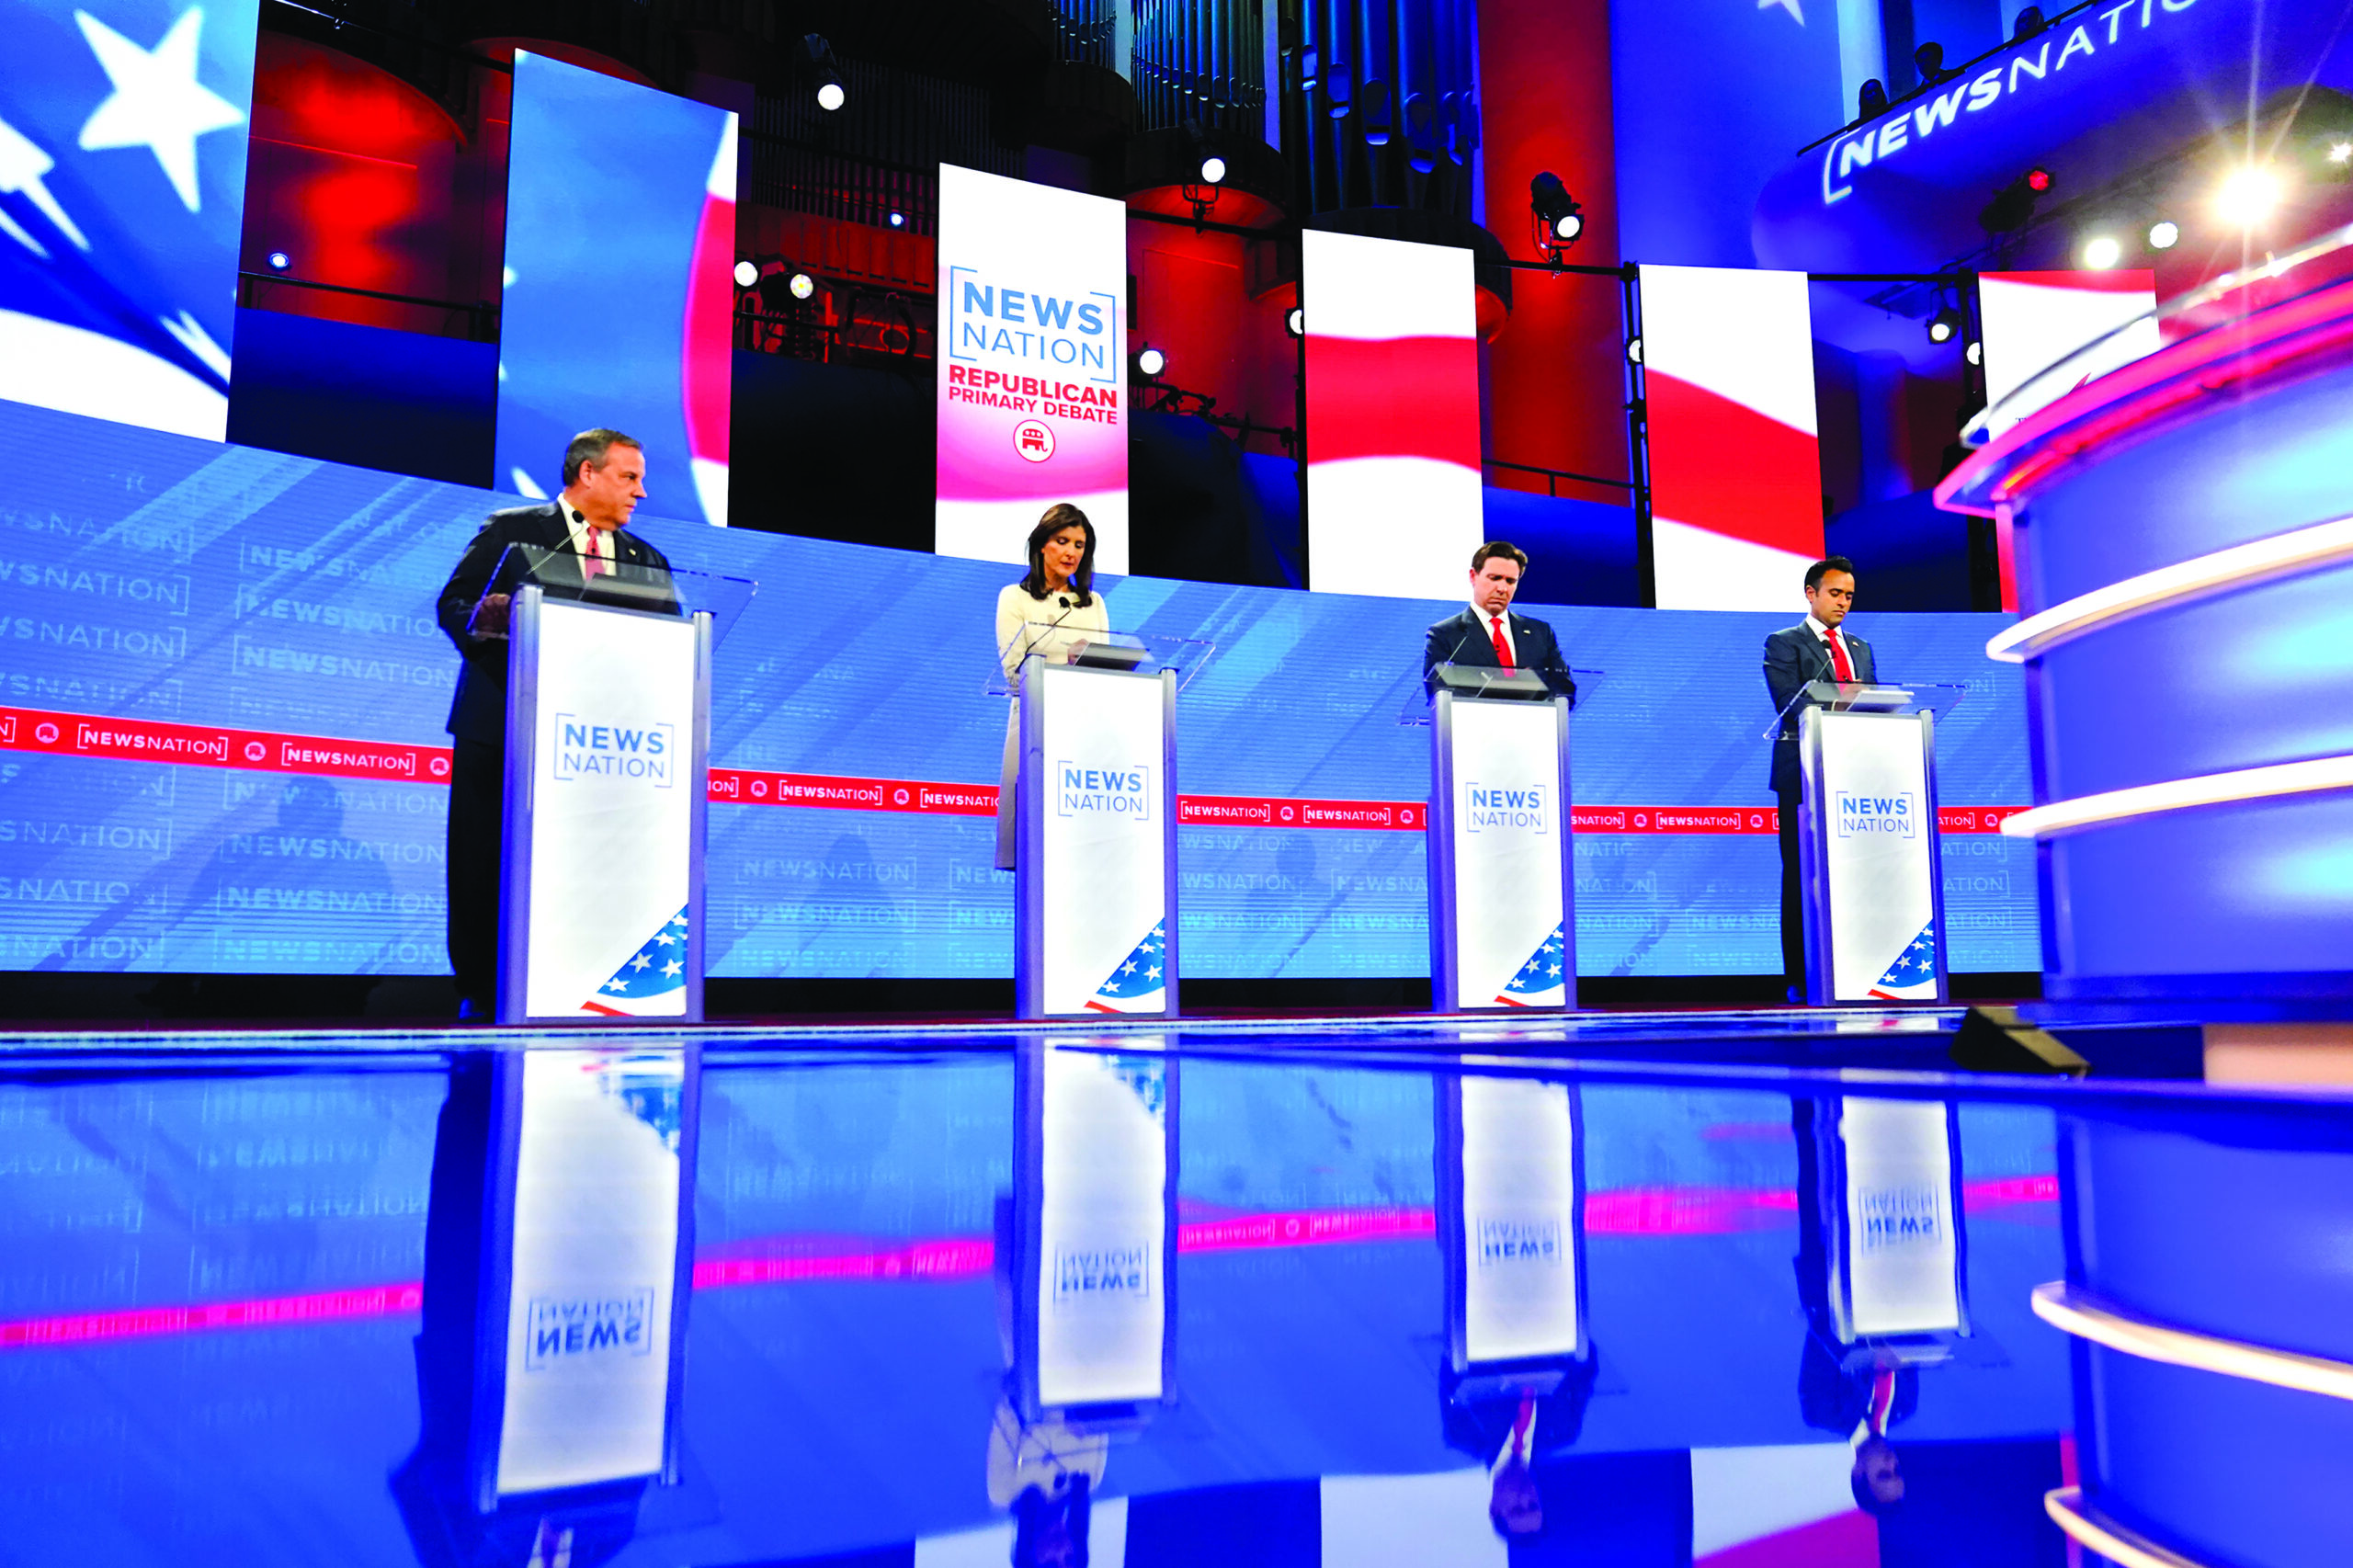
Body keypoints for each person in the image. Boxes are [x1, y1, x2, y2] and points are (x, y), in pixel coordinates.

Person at [434, 429, 674, 1020]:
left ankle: (586, 987)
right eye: (629, 477)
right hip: (506, 729)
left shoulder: (646, 561)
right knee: (485, 865)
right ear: (587, 473)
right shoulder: (512, 532)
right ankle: (483, 993)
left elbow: (672, 642)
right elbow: (454, 605)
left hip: (601, 745)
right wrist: (493, 623)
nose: (641, 492)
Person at [1763, 557, 1875, 1004]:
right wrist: (1844, 702)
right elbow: (1789, 703)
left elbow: (1875, 701)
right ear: (1811, 594)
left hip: (1856, 774)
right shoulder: (1784, 643)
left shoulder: (1861, 647)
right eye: (1835, 593)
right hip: (1803, 773)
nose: (1843, 602)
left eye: (1849, 596)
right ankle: (1800, 976)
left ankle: (1857, 967)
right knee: (1801, 874)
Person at [995, 504, 1109, 870]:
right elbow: (1014, 672)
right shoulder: (1014, 598)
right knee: (1032, 844)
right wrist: (1066, 666)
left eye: (1079, 545)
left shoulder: (1093, 604)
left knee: (1080, 851)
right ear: (1042, 544)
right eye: (1062, 541)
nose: (1071, 552)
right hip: (1035, 724)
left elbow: (1107, 671)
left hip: (1083, 730)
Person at [1422, 541, 1576, 702]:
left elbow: (1563, 688)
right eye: (1494, 578)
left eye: (1510, 581)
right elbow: (1439, 690)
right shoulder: (1444, 634)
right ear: (1473, 576)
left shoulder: (1541, 633)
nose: (1502, 588)